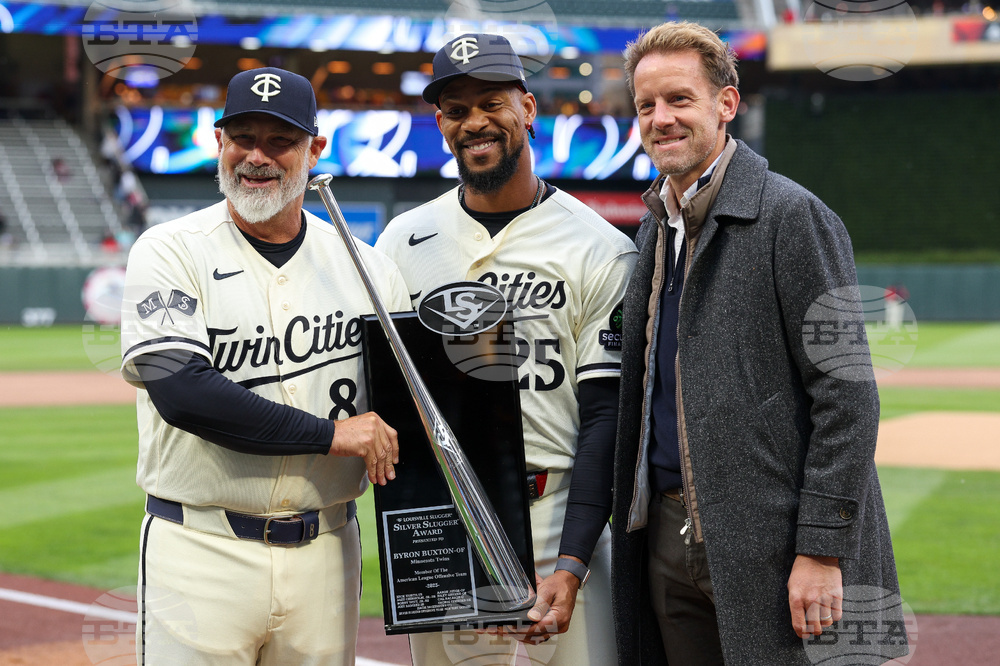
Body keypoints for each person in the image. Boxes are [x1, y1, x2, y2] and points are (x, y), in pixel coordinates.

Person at [610, 22, 907, 665]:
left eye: (679, 99)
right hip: (666, 531)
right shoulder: (653, 227)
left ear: (726, 104)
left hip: (775, 541)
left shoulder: (791, 216)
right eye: (646, 105)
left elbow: (849, 396)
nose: (661, 118)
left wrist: (822, 548)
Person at [118, 67, 411, 665]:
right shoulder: (171, 249)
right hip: (200, 548)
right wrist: (332, 436)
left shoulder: (368, 268)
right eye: (242, 137)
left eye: (279, 141)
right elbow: (183, 394)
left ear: (315, 150)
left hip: (326, 551)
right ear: (218, 140)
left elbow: (409, 415)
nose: (257, 156)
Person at [375, 33, 638, 666]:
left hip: (556, 514)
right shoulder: (404, 241)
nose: (475, 122)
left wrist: (573, 560)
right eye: (456, 109)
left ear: (527, 108)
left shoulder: (600, 246)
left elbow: (605, 415)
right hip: (451, 520)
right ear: (440, 124)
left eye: (491, 103)